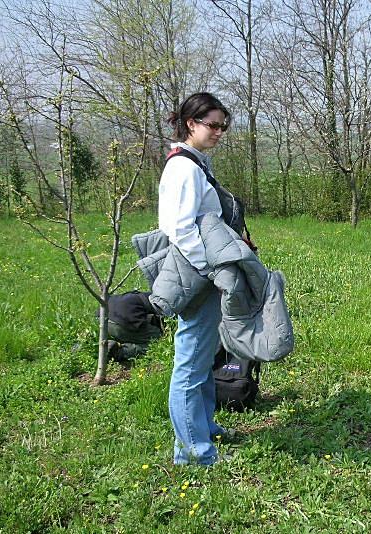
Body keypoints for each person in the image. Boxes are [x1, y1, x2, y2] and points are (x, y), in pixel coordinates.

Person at [158, 92, 233, 466]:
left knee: (203, 358)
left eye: (224, 126)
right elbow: (178, 229)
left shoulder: (195, 163)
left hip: (204, 276)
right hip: (198, 276)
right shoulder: (183, 168)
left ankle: (202, 426)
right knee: (189, 364)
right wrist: (211, 270)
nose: (219, 132)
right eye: (213, 125)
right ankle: (192, 451)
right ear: (191, 124)